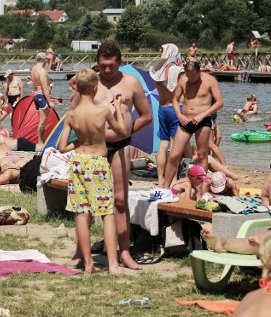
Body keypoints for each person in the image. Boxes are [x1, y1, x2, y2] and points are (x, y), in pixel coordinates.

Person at [72, 43, 152, 270]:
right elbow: (75, 113)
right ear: (98, 63)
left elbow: (146, 116)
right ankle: (81, 252)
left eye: (111, 66)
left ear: (120, 62)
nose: (106, 71)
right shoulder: (89, 83)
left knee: (119, 200)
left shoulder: (131, 83)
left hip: (120, 145)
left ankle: (124, 251)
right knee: (85, 201)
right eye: (103, 66)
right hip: (92, 148)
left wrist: (126, 131)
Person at [59, 68, 126, 274]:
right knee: (106, 212)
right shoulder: (103, 111)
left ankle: (88, 263)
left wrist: (79, 142)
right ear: (96, 88)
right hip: (98, 163)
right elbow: (122, 132)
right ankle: (113, 264)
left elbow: (62, 147)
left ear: (78, 89)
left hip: (79, 161)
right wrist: (118, 109)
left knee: (81, 212)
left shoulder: (71, 115)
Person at [162, 61, 224, 189]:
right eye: (188, 75)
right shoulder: (183, 80)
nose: (190, 79)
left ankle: (199, 188)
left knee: (202, 154)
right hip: (185, 120)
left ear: (199, 72)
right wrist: (179, 114)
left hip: (202, 120)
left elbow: (219, 103)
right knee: (174, 155)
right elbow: (175, 99)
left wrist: (203, 115)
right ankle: (165, 187)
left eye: (193, 76)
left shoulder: (210, 80)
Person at [149, 43, 186, 188]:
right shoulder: (178, 70)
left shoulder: (156, 70)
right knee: (176, 146)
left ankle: (160, 179)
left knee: (163, 145)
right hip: (176, 108)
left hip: (162, 108)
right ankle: (174, 178)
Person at [30, 52, 55, 144]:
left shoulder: (33, 69)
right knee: (43, 121)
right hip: (42, 95)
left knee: (41, 120)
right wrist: (50, 101)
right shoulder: (42, 71)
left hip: (36, 94)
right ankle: (40, 142)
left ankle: (41, 141)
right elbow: (45, 87)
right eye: (46, 59)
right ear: (44, 59)